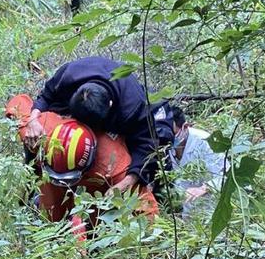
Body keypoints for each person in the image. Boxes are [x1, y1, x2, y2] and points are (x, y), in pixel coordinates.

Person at [5, 94, 158, 233]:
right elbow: (18, 102)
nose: (66, 184)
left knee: (96, 223)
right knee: (51, 220)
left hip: (96, 179)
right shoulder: (38, 132)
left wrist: (153, 236)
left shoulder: (112, 165)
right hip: (50, 177)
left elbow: (146, 208)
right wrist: (30, 120)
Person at [24, 56, 174, 193]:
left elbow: (147, 146)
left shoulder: (133, 107)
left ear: (110, 104)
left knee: (153, 160)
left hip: (121, 128)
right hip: (76, 104)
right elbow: (46, 96)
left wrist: (128, 181)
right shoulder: (69, 76)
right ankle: (32, 187)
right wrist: (33, 119)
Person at [168, 105, 228, 219]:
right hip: (185, 209)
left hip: (211, 205)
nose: (169, 138)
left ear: (185, 127)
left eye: (173, 134)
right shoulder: (164, 145)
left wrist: (203, 188)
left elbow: (225, 175)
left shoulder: (206, 142)